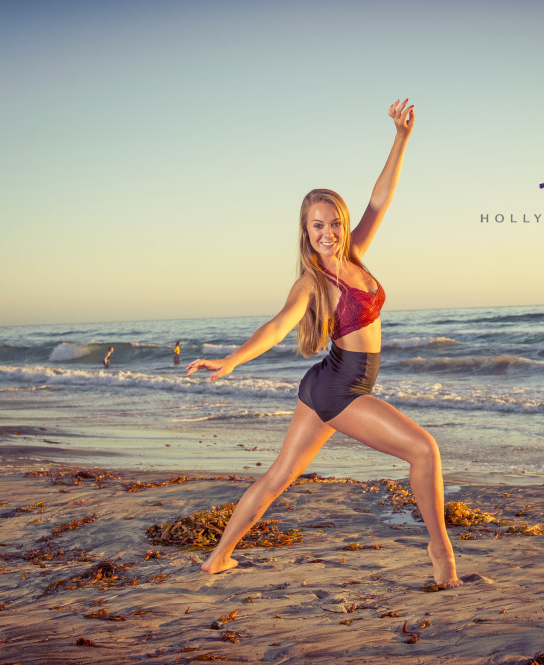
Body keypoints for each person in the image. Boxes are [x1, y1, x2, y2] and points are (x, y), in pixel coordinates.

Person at [185, 99, 461, 589]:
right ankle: (441, 553)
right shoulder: (312, 283)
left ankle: (217, 559)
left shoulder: (354, 253)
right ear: (306, 233)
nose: (330, 232)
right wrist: (232, 359)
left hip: (323, 383)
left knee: (278, 477)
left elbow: (380, 200)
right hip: (340, 389)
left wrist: (401, 137)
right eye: (319, 225)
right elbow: (276, 327)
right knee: (424, 452)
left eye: (335, 222)